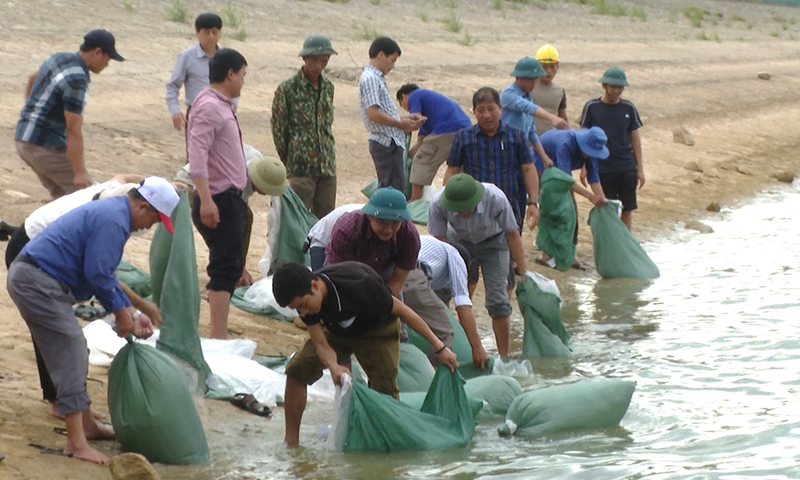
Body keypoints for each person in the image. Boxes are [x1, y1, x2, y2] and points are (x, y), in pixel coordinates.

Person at [6, 176, 179, 465]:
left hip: (40, 280)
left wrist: (133, 312)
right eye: (155, 219)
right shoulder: (114, 220)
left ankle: (86, 426)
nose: (151, 226)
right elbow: (98, 274)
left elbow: (103, 272)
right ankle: (76, 443)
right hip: (36, 282)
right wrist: (122, 314)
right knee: (71, 350)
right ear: (141, 206)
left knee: (75, 349)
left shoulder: (115, 214)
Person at [272, 261, 458, 446]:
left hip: (378, 330)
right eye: (298, 308)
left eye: (303, 304)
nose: (303, 311)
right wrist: (334, 366)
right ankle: (291, 441)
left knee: (384, 388)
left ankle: (385, 445)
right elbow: (321, 344)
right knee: (297, 369)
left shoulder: (360, 284)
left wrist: (440, 348)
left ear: (314, 285)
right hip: (338, 331)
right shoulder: (307, 304)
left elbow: (406, 312)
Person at [428, 174, 529, 357]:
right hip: (456, 243)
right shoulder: (437, 203)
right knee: (441, 293)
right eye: (458, 210)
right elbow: (439, 242)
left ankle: (503, 356)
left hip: (495, 243)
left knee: (498, 301)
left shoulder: (495, 197)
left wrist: (523, 271)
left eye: (467, 209)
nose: (463, 213)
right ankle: (447, 350)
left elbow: (512, 234)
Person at [15, 29, 124, 199]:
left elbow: (32, 78)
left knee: (62, 197)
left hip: (23, 138)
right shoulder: (77, 79)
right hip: (43, 145)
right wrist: (80, 173)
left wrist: (31, 114)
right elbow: (73, 129)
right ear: (97, 52)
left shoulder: (58, 57)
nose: (107, 65)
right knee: (90, 196)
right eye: (107, 59)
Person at [187, 48, 249, 339]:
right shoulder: (209, 106)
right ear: (230, 74)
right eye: (243, 75)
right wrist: (207, 200)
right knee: (224, 268)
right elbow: (197, 155)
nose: (243, 82)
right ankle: (218, 334)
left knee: (230, 264)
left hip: (228, 196)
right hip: (219, 197)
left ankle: (219, 332)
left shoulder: (220, 104)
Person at [445, 87, 541, 232]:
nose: (487, 115)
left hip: (511, 205)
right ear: (474, 111)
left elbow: (528, 169)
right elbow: (452, 170)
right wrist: (450, 203)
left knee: (511, 250)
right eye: (481, 110)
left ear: (500, 108)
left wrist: (533, 202)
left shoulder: (516, 136)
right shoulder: (463, 137)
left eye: (491, 109)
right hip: (475, 207)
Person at [272, 34, 338, 218]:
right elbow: (278, 129)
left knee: (325, 218)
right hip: (301, 167)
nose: (319, 66)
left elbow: (326, 127)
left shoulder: (328, 88)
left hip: (327, 166)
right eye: (314, 61)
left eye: (324, 61)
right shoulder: (288, 89)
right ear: (305, 58)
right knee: (295, 217)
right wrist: (290, 159)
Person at [534, 127, 610, 269]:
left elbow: (593, 178)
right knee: (554, 209)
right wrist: (589, 196)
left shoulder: (589, 153)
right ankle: (545, 253)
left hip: (558, 172)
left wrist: (602, 200)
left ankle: (570, 254)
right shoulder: (565, 144)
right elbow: (566, 181)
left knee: (570, 211)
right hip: (540, 165)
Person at [579, 67, 644, 231]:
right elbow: (583, 139)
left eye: (620, 87)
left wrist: (640, 169)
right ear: (604, 86)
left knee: (627, 209)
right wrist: (584, 167)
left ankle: (624, 245)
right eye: (613, 86)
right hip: (602, 167)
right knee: (606, 208)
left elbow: (635, 139)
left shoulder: (629, 108)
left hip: (626, 166)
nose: (616, 90)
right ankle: (608, 241)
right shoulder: (592, 107)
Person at [358, 36, 425, 192]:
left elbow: (379, 114)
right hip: (386, 142)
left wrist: (406, 119)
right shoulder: (371, 79)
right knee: (392, 192)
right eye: (392, 60)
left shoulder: (375, 78)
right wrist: (400, 123)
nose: (393, 65)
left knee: (392, 189)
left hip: (389, 141)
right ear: (381, 55)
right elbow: (373, 113)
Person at [326, 188, 420, 297]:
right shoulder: (346, 230)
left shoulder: (409, 236)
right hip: (338, 258)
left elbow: (397, 281)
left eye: (395, 223)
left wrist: (384, 303)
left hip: (384, 265)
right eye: (383, 223)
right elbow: (343, 278)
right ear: (370, 216)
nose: (388, 229)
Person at [418, 235, 488, 367]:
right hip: (412, 273)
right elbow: (462, 305)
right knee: (443, 331)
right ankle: (436, 376)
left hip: (390, 271)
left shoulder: (431, 244)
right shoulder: (455, 255)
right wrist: (477, 347)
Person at [396, 84, 472, 202]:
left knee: (422, 160)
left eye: (404, 107)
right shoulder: (431, 105)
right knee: (457, 166)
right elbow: (422, 138)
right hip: (466, 128)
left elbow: (416, 119)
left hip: (448, 128)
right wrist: (412, 152)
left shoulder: (415, 95)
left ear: (404, 97)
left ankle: (415, 199)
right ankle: (457, 198)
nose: (408, 109)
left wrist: (399, 122)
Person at [499, 56, 570, 173]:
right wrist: (552, 117)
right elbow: (527, 107)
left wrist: (544, 157)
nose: (534, 83)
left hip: (521, 150)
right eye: (530, 79)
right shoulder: (508, 93)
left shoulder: (528, 96)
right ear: (518, 78)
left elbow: (532, 132)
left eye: (535, 79)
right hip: (505, 150)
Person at [166, 13, 224, 137]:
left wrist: (233, 105)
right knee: (196, 154)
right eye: (206, 32)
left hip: (223, 113)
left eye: (214, 32)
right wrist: (175, 111)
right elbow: (173, 86)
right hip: (197, 113)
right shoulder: (187, 56)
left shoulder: (226, 56)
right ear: (197, 32)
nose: (211, 37)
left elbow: (236, 81)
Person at [531, 44, 569, 137]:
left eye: (552, 67)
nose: (548, 71)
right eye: (544, 66)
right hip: (530, 141)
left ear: (558, 67)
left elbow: (562, 117)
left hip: (552, 141)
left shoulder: (560, 91)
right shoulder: (528, 88)